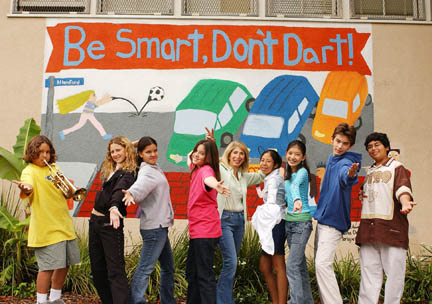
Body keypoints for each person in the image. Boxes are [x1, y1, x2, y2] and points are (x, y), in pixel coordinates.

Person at [13, 135, 81, 304]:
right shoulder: (29, 171)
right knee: (47, 268)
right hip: (46, 228)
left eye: (48, 152)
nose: (45, 156)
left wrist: (67, 187)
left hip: (64, 225)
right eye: (40, 152)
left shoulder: (54, 168)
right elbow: (28, 187)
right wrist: (27, 188)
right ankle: (41, 301)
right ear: (32, 153)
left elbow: (67, 192)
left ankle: (56, 298)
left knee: (65, 263)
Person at [205, 128, 265, 304]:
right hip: (224, 221)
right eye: (235, 153)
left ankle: (223, 297)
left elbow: (261, 175)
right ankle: (223, 301)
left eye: (242, 154)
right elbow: (212, 160)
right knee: (231, 262)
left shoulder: (244, 176)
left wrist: (268, 160)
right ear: (229, 154)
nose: (238, 156)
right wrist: (212, 143)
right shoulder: (222, 169)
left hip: (239, 221)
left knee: (232, 262)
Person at [356, 132, 416, 304]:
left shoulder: (397, 167)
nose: (373, 149)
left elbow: (402, 188)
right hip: (369, 230)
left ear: (387, 147)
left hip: (391, 230)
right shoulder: (370, 172)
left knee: (394, 275)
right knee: (369, 275)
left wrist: (405, 203)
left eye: (377, 144)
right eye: (369, 146)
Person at [122, 136, 176, 304]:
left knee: (168, 268)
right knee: (145, 269)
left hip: (160, 226)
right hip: (154, 229)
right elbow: (139, 187)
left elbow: (135, 149)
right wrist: (131, 194)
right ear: (141, 154)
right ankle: (136, 301)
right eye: (148, 152)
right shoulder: (147, 172)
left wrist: (135, 144)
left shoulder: (153, 167)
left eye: (155, 150)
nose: (153, 154)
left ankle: (168, 301)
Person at [313, 123, 362, 304]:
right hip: (323, 219)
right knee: (320, 265)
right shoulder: (331, 157)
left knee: (322, 264)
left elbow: (346, 176)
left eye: (345, 143)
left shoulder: (346, 162)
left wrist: (350, 175)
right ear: (332, 139)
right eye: (338, 141)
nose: (340, 146)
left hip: (333, 222)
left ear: (350, 146)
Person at [89, 136, 137, 304]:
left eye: (119, 150)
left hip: (111, 224)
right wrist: (129, 144)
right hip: (95, 221)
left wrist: (115, 207)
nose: (116, 154)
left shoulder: (129, 172)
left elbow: (119, 190)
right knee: (98, 270)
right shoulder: (111, 168)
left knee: (115, 271)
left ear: (127, 150)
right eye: (113, 151)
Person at [186, 139, 230, 304]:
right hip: (197, 230)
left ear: (209, 158)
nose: (197, 154)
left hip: (205, 231)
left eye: (202, 153)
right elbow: (189, 156)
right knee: (192, 273)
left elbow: (208, 179)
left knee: (204, 275)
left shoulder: (206, 170)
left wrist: (216, 186)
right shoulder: (196, 168)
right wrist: (206, 144)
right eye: (197, 150)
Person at [252, 149, 288, 304]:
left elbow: (273, 204)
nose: (263, 163)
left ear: (276, 165)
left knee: (278, 265)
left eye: (268, 161)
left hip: (276, 223)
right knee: (264, 266)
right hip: (271, 225)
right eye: (262, 160)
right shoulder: (270, 178)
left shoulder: (273, 180)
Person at [284, 140, 314, 304]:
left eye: (297, 154)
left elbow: (295, 187)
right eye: (290, 153)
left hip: (302, 224)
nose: (293, 157)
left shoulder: (302, 172)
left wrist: (296, 200)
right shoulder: (288, 174)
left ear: (303, 157)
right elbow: (288, 190)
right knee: (300, 267)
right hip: (290, 223)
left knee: (292, 266)